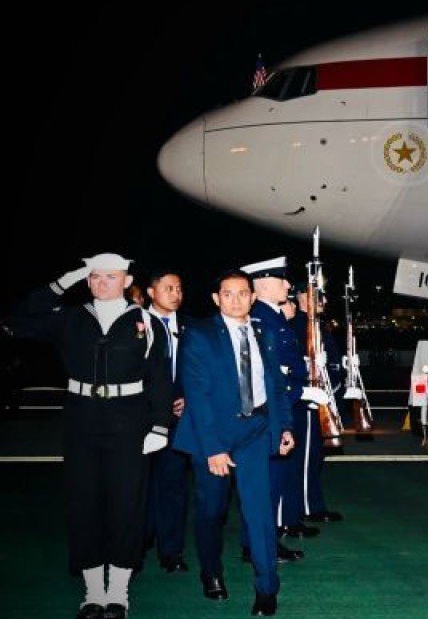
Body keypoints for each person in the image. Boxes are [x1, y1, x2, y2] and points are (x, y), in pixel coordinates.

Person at [4, 253, 173, 619]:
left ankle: (119, 593)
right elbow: (16, 318)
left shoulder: (146, 321)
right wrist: (62, 283)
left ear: (127, 281)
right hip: (81, 420)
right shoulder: (70, 318)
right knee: (84, 504)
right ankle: (93, 592)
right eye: (94, 277)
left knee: (127, 505)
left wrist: (160, 426)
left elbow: (160, 378)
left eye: (110, 277)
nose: (101, 283)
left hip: (130, 422)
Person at [173, 269, 296, 617]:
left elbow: (274, 384)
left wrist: (284, 426)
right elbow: (197, 395)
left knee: (258, 512)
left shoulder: (262, 331)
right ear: (216, 299)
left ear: (253, 297)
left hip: (255, 431)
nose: (236, 300)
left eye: (243, 293)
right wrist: (213, 447)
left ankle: (266, 587)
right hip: (213, 435)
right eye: (228, 294)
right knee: (212, 511)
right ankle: (211, 573)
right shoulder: (199, 335)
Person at [241, 257, 311, 559]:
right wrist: (300, 389)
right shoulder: (260, 317)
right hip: (270, 412)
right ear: (265, 283)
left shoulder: (273, 316)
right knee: (266, 483)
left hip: (283, 406)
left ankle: (262, 543)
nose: (287, 286)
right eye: (283, 280)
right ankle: (258, 545)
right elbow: (268, 373)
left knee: (274, 481)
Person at [142, 269, 192, 574]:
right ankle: (138, 541)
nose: (176, 293)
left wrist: (188, 397)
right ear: (151, 291)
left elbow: (200, 369)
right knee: (138, 484)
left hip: (178, 420)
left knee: (173, 483)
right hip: (140, 420)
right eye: (169, 287)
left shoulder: (190, 327)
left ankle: (170, 551)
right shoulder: (132, 323)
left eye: (179, 288)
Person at [288, 289, 345, 524]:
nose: (323, 300)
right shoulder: (299, 325)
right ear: (302, 297)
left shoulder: (316, 325)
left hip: (322, 397)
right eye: (317, 295)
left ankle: (312, 502)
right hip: (307, 402)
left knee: (315, 457)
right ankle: (307, 507)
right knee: (306, 458)